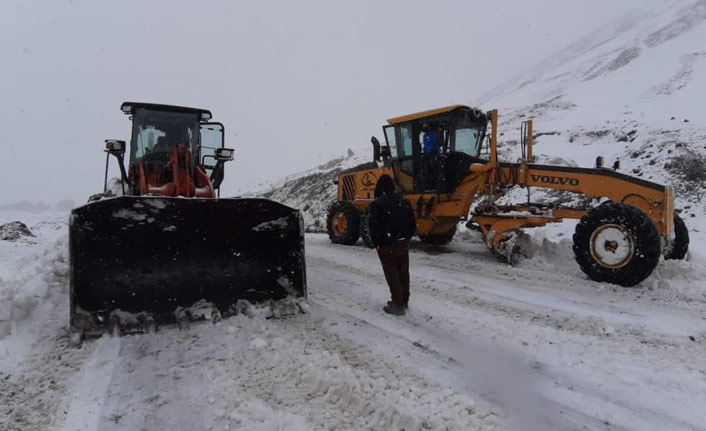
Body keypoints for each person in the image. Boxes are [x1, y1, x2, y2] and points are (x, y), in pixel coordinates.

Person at [368, 174, 417, 316]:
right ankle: (404, 300)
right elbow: (412, 224)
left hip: (387, 245)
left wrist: (377, 243)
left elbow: (374, 225)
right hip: (403, 243)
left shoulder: (377, 204)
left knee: (392, 274)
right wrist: (406, 238)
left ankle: (397, 304)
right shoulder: (404, 202)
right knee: (403, 272)